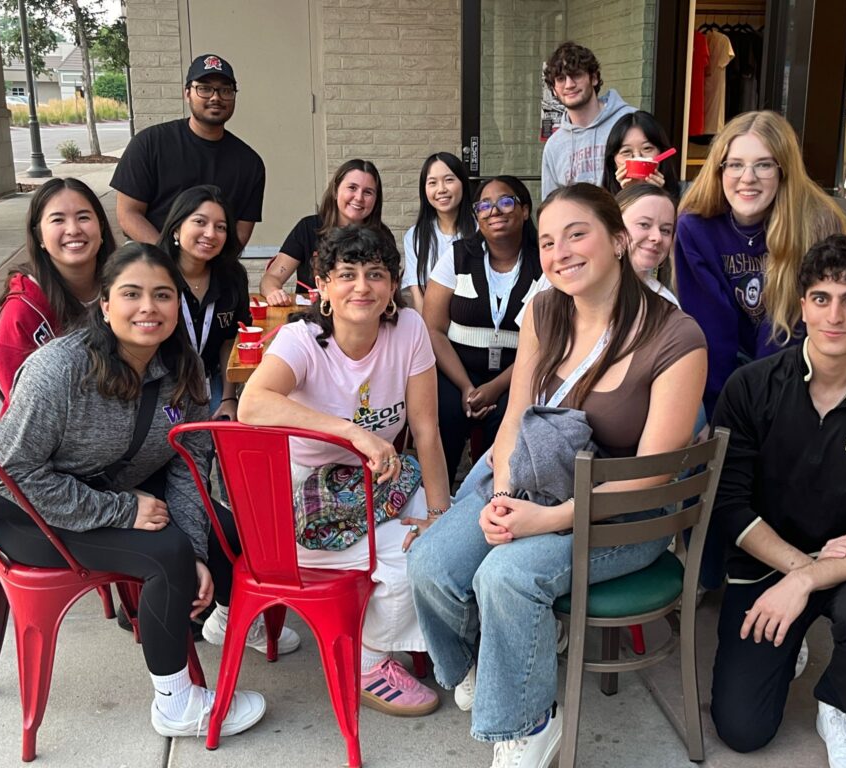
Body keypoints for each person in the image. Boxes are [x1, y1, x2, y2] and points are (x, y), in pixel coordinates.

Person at [409, 183, 707, 768]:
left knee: (508, 576)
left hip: (624, 512)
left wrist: (548, 519)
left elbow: (651, 476)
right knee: (430, 563)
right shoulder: (545, 311)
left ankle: (530, 720)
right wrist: (501, 496)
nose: (561, 251)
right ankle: (485, 664)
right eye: (548, 240)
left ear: (619, 240)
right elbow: (515, 416)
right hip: (533, 481)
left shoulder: (677, 338)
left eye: (577, 234)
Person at [0, 242, 275, 739]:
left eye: (162, 295)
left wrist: (199, 551)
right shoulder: (59, 371)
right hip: (25, 510)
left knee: (222, 527)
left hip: (113, 481)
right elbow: (15, 475)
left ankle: (224, 618)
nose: (148, 308)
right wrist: (120, 510)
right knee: (165, 551)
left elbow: (189, 461)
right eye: (131, 294)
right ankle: (176, 703)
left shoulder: (185, 368)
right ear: (106, 303)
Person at [708, 234, 846, 768]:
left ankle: (840, 704)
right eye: (822, 298)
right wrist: (794, 570)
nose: (836, 315)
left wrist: (806, 579)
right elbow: (728, 505)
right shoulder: (751, 387)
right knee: (742, 730)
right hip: (763, 564)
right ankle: (791, 640)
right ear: (802, 304)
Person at [239, 225, 449, 717]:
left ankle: (431, 639)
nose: (362, 287)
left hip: (373, 483)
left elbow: (427, 430)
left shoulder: (410, 330)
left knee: (441, 541)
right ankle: (369, 662)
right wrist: (350, 432)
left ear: (392, 283)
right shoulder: (302, 339)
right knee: (406, 562)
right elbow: (251, 403)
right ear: (323, 286)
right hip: (301, 504)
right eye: (347, 275)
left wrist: (440, 510)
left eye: (375, 274)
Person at [674, 110, 846, 419]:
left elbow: (803, 323)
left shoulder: (816, 222)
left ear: (784, 170)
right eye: (736, 165)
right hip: (723, 367)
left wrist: (764, 407)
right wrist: (724, 416)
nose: (748, 178)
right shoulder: (696, 226)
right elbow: (710, 327)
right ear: (719, 170)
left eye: (764, 164)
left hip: (800, 367)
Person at [422, 175, 543, 487]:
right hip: (456, 370)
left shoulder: (543, 263)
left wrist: (496, 387)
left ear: (525, 211)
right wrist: (466, 387)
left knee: (510, 418)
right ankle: (437, 498)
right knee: (443, 412)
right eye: (484, 205)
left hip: (517, 373)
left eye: (505, 202)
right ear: (476, 216)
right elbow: (433, 329)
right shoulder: (458, 255)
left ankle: (489, 500)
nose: (495, 211)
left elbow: (549, 343)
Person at [111, 54, 265, 246]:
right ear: (187, 94)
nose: (216, 97)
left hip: (211, 259)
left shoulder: (249, 163)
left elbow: (241, 231)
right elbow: (128, 214)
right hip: (150, 255)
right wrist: (169, 261)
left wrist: (212, 266)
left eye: (225, 90)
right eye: (205, 89)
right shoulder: (150, 143)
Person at [0, 177, 116, 413]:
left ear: (100, 228)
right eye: (58, 219)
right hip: (54, 437)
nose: (73, 230)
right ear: (39, 236)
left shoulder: (127, 286)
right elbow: (22, 405)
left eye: (83, 217)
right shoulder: (22, 310)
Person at [155, 185, 250, 420]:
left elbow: (230, 340)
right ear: (176, 228)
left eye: (221, 227)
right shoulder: (154, 273)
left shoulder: (232, 276)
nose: (210, 233)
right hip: (161, 381)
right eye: (200, 222)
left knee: (227, 430)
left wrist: (229, 398)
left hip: (211, 378)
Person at [260, 159, 392, 306]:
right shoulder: (308, 227)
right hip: (313, 317)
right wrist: (274, 292)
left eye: (368, 192)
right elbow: (271, 277)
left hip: (365, 317)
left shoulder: (382, 236)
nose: (359, 198)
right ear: (335, 191)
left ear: (376, 199)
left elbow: (391, 287)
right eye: (352, 188)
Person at [540, 41, 637, 200]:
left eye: (576, 75)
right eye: (561, 78)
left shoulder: (630, 122)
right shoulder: (554, 146)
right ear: (554, 90)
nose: (569, 85)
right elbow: (550, 207)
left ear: (594, 78)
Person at [402, 152, 476, 312]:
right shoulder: (415, 236)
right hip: (431, 327)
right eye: (432, 183)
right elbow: (417, 293)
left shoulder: (480, 231)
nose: (441, 189)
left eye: (449, 180)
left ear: (463, 183)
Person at [617, 183, 679, 306]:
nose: (657, 237)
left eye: (665, 230)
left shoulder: (666, 305)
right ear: (615, 226)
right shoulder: (580, 288)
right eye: (644, 224)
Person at [601, 111, 681, 198]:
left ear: (661, 151)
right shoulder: (599, 203)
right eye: (626, 151)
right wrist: (627, 196)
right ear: (613, 161)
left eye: (647, 148)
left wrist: (659, 196)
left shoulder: (683, 199)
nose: (638, 157)